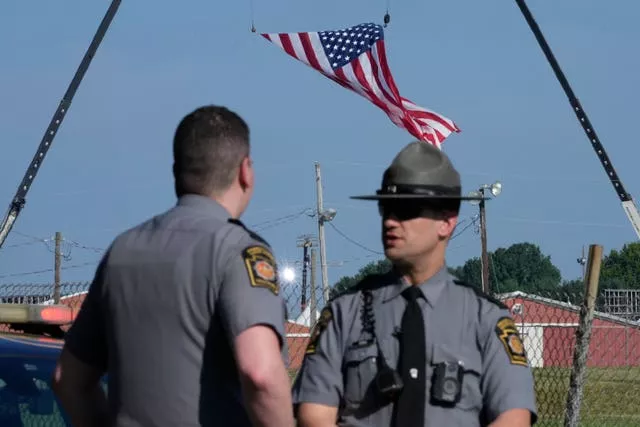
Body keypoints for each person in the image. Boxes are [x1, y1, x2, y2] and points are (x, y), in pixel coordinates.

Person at [51, 105, 295, 427]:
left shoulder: (122, 251)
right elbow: (261, 373)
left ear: (177, 171)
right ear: (245, 171)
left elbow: (68, 380)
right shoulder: (238, 250)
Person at [292, 141, 538, 427]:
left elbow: (513, 417)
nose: (390, 222)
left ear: (446, 222)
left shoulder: (485, 319)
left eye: (406, 209)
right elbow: (314, 415)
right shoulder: (343, 314)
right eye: (386, 208)